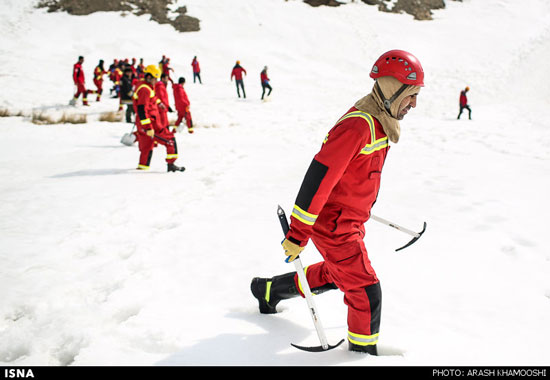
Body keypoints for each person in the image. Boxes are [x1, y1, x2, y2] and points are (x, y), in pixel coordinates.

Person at [250, 50, 424, 355]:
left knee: (337, 274)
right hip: (334, 226)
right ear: (390, 89)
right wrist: (297, 235)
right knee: (366, 291)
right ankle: (361, 355)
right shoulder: (358, 126)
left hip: (349, 220)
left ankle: (269, 290)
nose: (414, 105)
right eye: (410, 95)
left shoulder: (380, 121)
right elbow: (318, 180)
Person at [132, 65, 185, 173]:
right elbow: (142, 109)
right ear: (149, 77)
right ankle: (171, 164)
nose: (156, 81)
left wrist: (159, 103)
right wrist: (148, 128)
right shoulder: (145, 90)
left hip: (143, 124)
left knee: (146, 147)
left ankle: (142, 170)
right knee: (170, 140)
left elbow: (151, 98)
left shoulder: (143, 85)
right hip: (151, 124)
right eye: (155, 78)